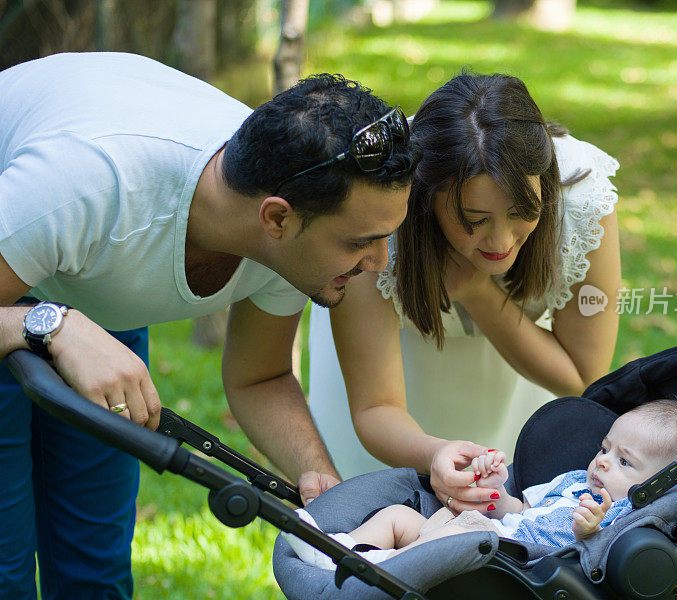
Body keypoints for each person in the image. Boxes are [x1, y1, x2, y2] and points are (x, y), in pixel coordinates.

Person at [0, 51, 420, 599]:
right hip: (35, 260)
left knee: (93, 574)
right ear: (276, 218)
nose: (380, 263)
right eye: (361, 241)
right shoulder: (89, 184)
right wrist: (53, 324)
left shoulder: (287, 225)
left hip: (93, 291)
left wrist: (321, 481)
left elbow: (260, 377)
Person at [308, 72, 621, 511]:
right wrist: (434, 453)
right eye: (473, 220)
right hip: (392, 404)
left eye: (520, 213)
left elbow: (584, 378)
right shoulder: (377, 215)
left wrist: (478, 293)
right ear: (426, 197)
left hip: (517, 378)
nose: (500, 242)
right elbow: (376, 406)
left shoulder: (581, 199)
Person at [286, 398, 677, 569]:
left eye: (624, 461)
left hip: (507, 557)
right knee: (401, 514)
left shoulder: (623, 516)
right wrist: (497, 490)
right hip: (490, 531)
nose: (603, 462)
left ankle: (374, 567)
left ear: (657, 486)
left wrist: (590, 532)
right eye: (605, 448)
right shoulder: (570, 483)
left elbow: (592, 557)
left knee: (468, 528)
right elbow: (520, 513)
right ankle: (341, 548)